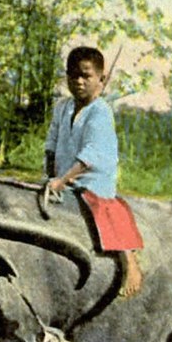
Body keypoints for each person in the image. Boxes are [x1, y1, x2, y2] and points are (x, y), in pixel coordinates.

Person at [44, 46, 143, 296]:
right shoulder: (62, 108)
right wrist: (51, 177)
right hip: (63, 177)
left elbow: (89, 157)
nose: (78, 82)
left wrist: (63, 180)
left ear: (101, 79)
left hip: (92, 178)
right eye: (73, 75)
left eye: (86, 76)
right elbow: (51, 144)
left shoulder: (100, 112)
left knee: (105, 209)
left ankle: (128, 261)